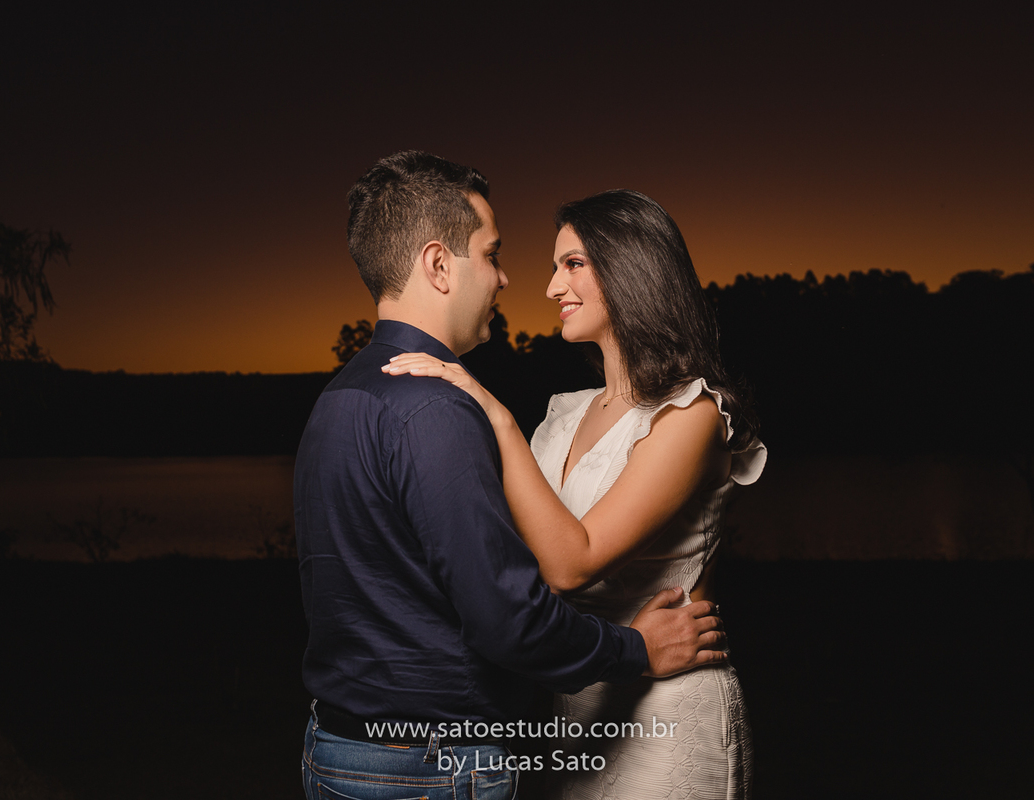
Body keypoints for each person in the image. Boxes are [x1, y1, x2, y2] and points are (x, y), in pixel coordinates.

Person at [295, 154, 728, 800]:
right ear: (440, 265)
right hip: (429, 766)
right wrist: (633, 651)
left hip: (336, 747)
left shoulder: (337, 398)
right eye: (493, 254)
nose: (510, 279)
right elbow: (510, 618)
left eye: (571, 264)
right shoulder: (439, 408)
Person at [384, 189, 768, 798]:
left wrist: (494, 416)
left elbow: (570, 564)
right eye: (555, 266)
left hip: (668, 703)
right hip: (574, 707)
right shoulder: (564, 416)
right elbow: (513, 558)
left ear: (629, 269)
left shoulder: (690, 414)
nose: (550, 286)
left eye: (573, 264)